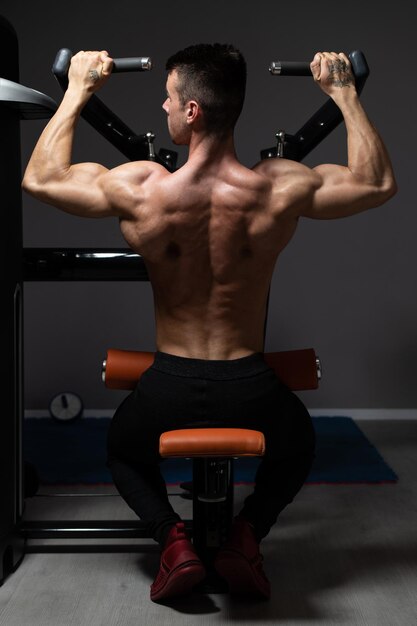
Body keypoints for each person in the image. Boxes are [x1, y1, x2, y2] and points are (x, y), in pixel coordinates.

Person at [22, 44, 397, 603]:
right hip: (250, 385)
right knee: (297, 444)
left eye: (169, 98)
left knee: (123, 450)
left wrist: (78, 88)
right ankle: (244, 536)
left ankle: (173, 542)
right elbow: (375, 183)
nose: (163, 106)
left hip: (168, 385)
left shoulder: (144, 188)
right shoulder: (277, 187)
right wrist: (343, 93)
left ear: (192, 111)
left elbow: (41, 179)